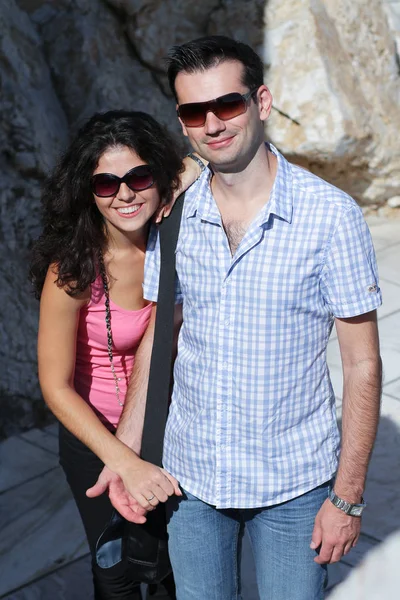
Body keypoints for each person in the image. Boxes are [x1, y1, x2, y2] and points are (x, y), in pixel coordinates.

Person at [89, 37, 383, 600]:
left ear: (262, 102)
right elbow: (159, 340)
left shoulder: (330, 217)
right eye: (194, 112)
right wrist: (126, 455)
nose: (213, 124)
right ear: (182, 121)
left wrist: (346, 498)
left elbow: (362, 364)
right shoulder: (175, 217)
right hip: (191, 481)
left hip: (293, 487)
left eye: (227, 104)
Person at [30, 110, 204, 600]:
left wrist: (180, 174)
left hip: (174, 427)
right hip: (96, 437)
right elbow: (54, 386)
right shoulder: (74, 269)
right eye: (106, 183)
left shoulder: (178, 234)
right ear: (89, 191)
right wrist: (122, 462)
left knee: (173, 564)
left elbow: (205, 161)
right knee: (117, 571)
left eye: (138, 176)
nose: (125, 194)